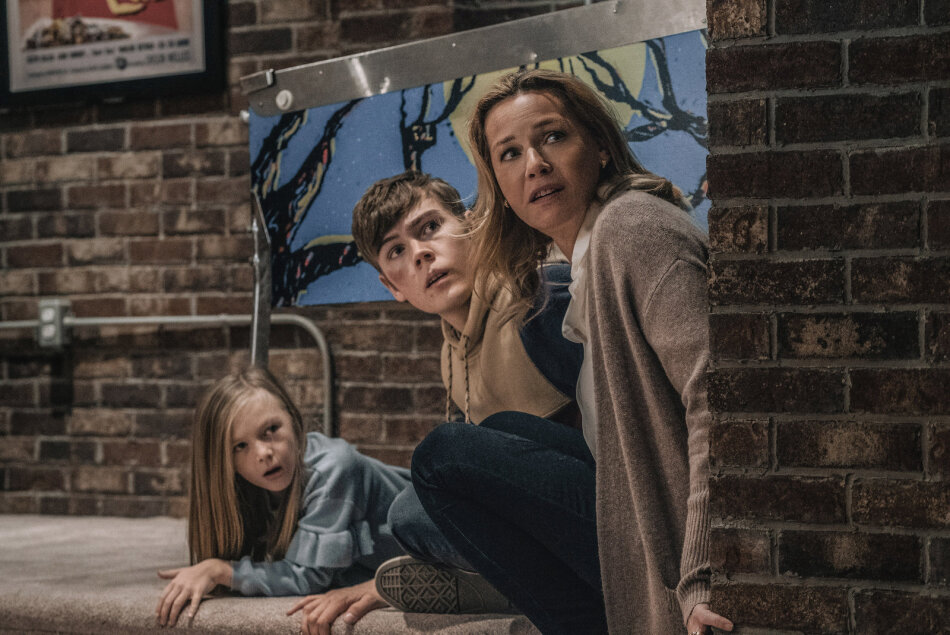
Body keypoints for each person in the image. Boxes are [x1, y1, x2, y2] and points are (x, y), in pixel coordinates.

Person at [419, 68, 736, 634]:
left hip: (670, 539)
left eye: (553, 137)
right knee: (504, 430)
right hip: (631, 506)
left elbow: (720, 396)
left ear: (601, 147)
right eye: (510, 154)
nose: (535, 164)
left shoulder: (632, 228)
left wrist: (703, 570)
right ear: (499, 186)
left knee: (443, 458)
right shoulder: (587, 259)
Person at [288, 170, 594, 631]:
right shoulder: (452, 351)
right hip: (545, 527)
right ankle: (503, 579)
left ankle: (507, 582)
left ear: (470, 226)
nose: (420, 254)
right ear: (392, 287)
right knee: (408, 514)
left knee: (444, 453)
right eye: (396, 251)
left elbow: (630, 430)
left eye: (429, 227)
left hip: (609, 514)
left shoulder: (540, 298)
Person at [154, 366, 411, 635]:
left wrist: (221, 570)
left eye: (271, 429)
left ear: (294, 420)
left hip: (434, 532)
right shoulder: (250, 484)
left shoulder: (333, 468)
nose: (263, 453)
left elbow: (309, 576)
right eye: (240, 446)